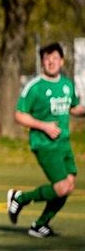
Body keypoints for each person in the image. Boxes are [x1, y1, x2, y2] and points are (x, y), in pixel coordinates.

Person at [6, 43, 84, 238]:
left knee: (69, 185)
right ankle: (20, 198)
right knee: (62, 187)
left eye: (55, 58)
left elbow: (74, 108)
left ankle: (39, 225)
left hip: (64, 144)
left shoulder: (67, 84)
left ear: (62, 61)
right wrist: (44, 126)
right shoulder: (35, 87)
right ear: (42, 62)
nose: (51, 62)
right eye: (47, 59)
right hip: (44, 144)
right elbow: (19, 115)